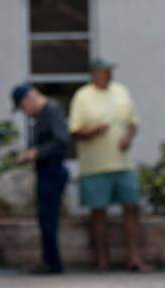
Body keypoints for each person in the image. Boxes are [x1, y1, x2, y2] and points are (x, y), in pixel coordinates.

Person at [68, 58, 149, 272]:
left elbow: (133, 122)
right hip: (95, 165)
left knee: (131, 208)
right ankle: (102, 259)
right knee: (98, 212)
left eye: (110, 71)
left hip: (123, 163)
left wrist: (128, 138)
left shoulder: (121, 91)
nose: (109, 75)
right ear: (95, 74)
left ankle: (133, 257)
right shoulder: (82, 96)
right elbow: (75, 130)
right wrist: (93, 131)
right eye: (105, 72)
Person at [12, 84, 71, 275]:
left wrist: (36, 152)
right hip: (45, 171)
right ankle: (49, 260)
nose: (25, 112)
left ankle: (53, 263)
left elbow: (61, 141)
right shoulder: (40, 115)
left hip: (53, 171)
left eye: (22, 107)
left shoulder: (51, 110)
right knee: (45, 219)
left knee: (49, 219)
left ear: (29, 98)